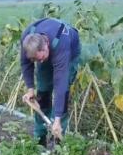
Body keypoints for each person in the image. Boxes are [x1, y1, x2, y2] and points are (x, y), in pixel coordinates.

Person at [20, 17, 81, 146]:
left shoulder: (61, 44)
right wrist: (30, 89)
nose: (41, 62)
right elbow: (25, 65)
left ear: (45, 46)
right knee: (42, 92)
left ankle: (58, 137)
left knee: (62, 95)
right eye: (37, 60)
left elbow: (61, 86)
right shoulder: (27, 39)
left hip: (69, 53)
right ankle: (40, 138)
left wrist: (57, 119)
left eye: (41, 58)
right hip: (48, 48)